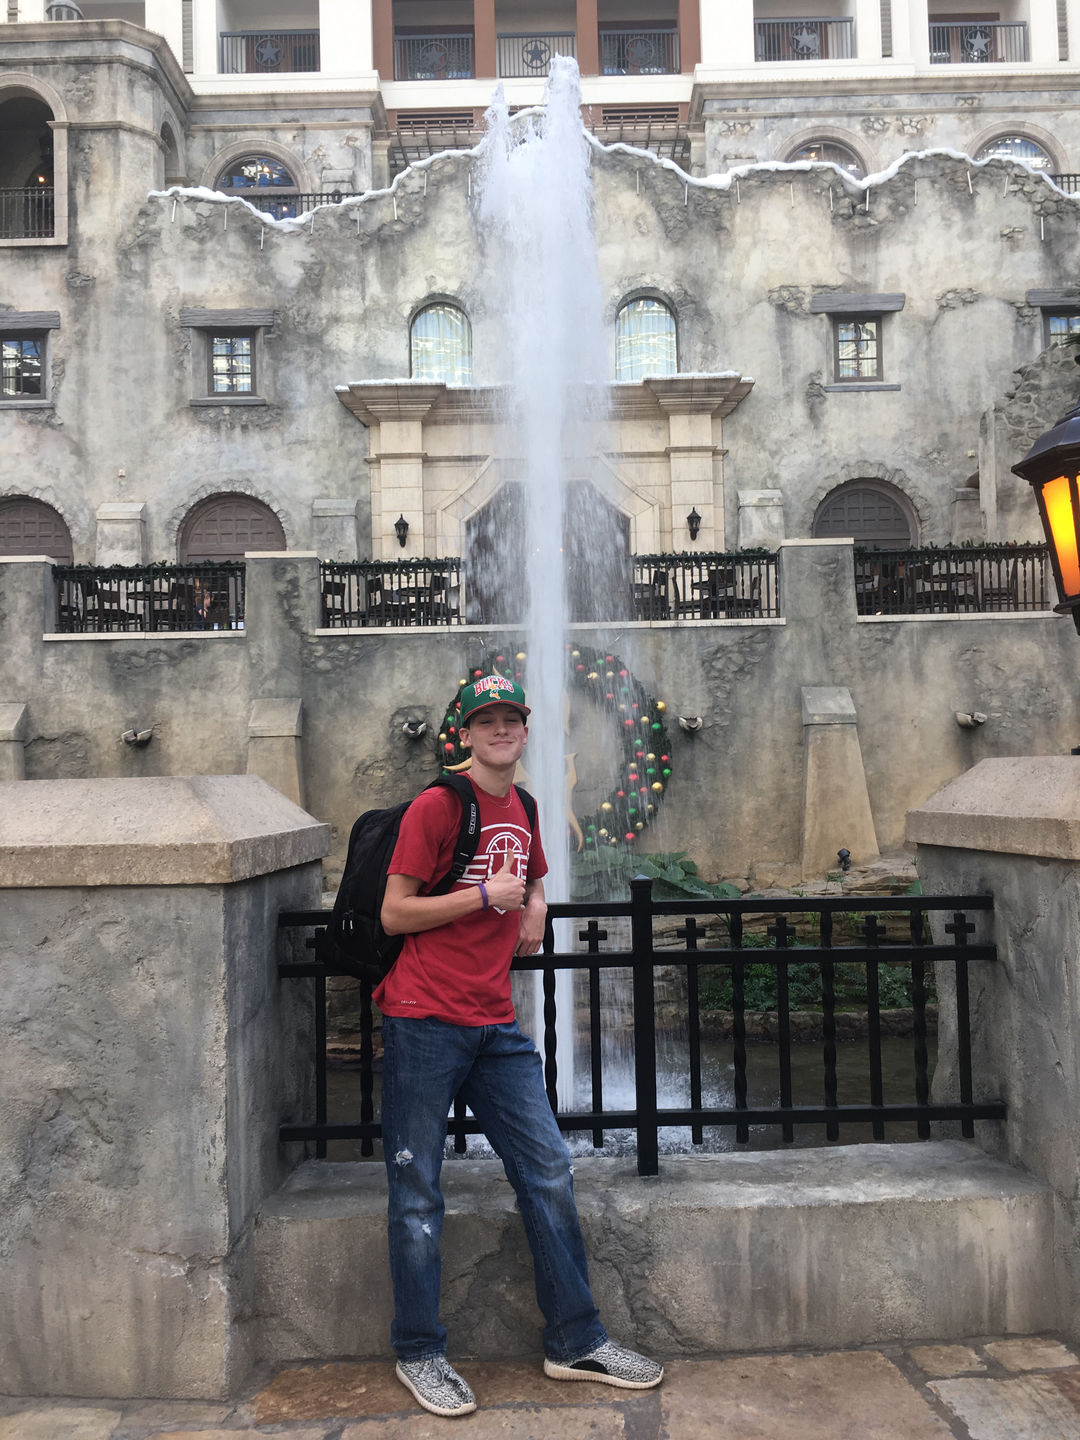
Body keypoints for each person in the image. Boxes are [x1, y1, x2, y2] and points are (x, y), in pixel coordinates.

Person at [377, 674, 664, 1418]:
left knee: (548, 1171)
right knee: (417, 1192)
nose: (501, 730)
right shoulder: (438, 806)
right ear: (467, 734)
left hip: (495, 1024)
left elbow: (529, 876)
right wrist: (484, 897)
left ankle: (575, 1341)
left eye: (511, 719)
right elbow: (395, 912)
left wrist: (534, 901)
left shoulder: (527, 806)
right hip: (423, 1018)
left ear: (525, 730)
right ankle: (419, 1350)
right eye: (487, 721)